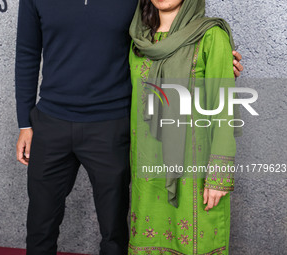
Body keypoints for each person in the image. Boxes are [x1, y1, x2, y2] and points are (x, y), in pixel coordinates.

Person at [14, 0, 243, 254]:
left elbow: (168, 40)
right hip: (51, 123)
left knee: (115, 231)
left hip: (111, 127)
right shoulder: (35, 0)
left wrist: (218, 61)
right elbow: (27, 52)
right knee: (40, 225)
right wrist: (25, 123)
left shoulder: (141, 4)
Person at [128, 0, 241, 254]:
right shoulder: (139, 41)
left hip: (196, 174)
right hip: (148, 169)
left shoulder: (211, 36)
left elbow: (223, 110)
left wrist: (219, 176)